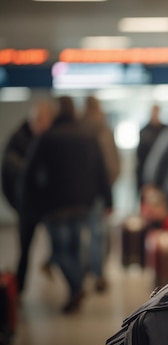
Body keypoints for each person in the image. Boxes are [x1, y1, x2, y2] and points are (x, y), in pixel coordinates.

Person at [22, 96, 112, 313]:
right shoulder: (87, 136)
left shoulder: (47, 138)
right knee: (74, 248)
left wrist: (32, 201)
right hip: (83, 204)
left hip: (56, 205)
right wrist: (107, 199)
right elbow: (101, 170)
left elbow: (29, 172)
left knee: (61, 252)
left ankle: (76, 286)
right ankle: (75, 289)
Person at [1, 99, 54, 293]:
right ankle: (19, 291)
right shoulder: (18, 140)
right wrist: (17, 203)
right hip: (27, 206)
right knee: (24, 251)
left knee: (59, 248)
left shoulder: (50, 138)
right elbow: (10, 174)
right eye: (40, 120)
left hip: (47, 206)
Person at [81, 95, 120, 292]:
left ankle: (85, 272)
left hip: (79, 193)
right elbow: (109, 164)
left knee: (83, 234)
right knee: (98, 234)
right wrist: (110, 187)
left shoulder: (78, 128)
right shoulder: (100, 130)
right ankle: (97, 274)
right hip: (98, 192)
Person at [136, 104, 165, 193]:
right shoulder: (144, 132)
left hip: (161, 176)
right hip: (147, 176)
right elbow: (140, 158)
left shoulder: (165, 131)